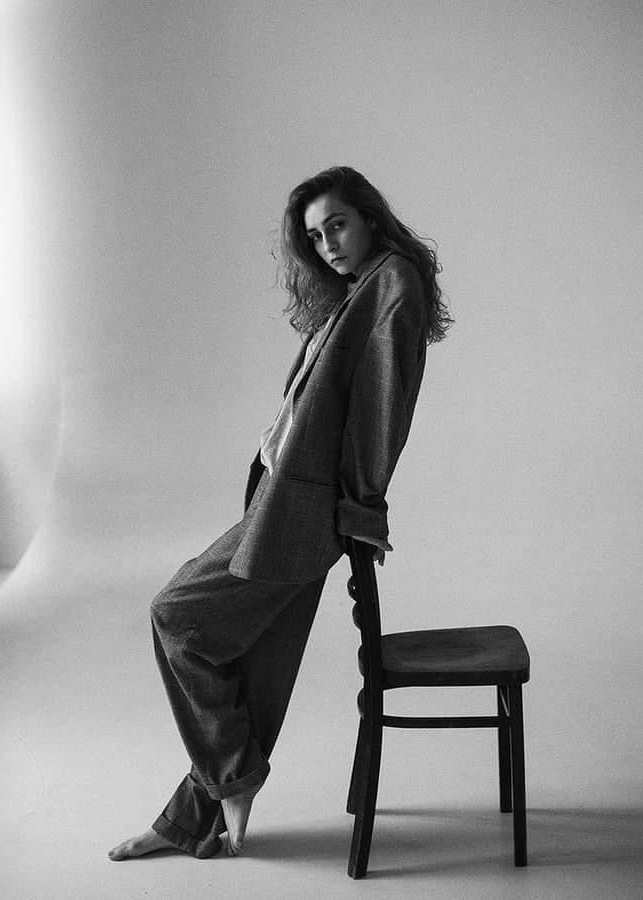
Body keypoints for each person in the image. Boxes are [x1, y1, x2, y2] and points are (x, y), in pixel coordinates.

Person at [108, 165, 451, 862]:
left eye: (337, 225)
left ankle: (233, 781)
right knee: (249, 666)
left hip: (306, 512)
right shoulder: (362, 287)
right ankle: (193, 818)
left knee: (177, 613)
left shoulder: (393, 285)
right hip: (286, 497)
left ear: (371, 218)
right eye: (315, 235)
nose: (326, 243)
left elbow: (383, 410)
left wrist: (362, 507)